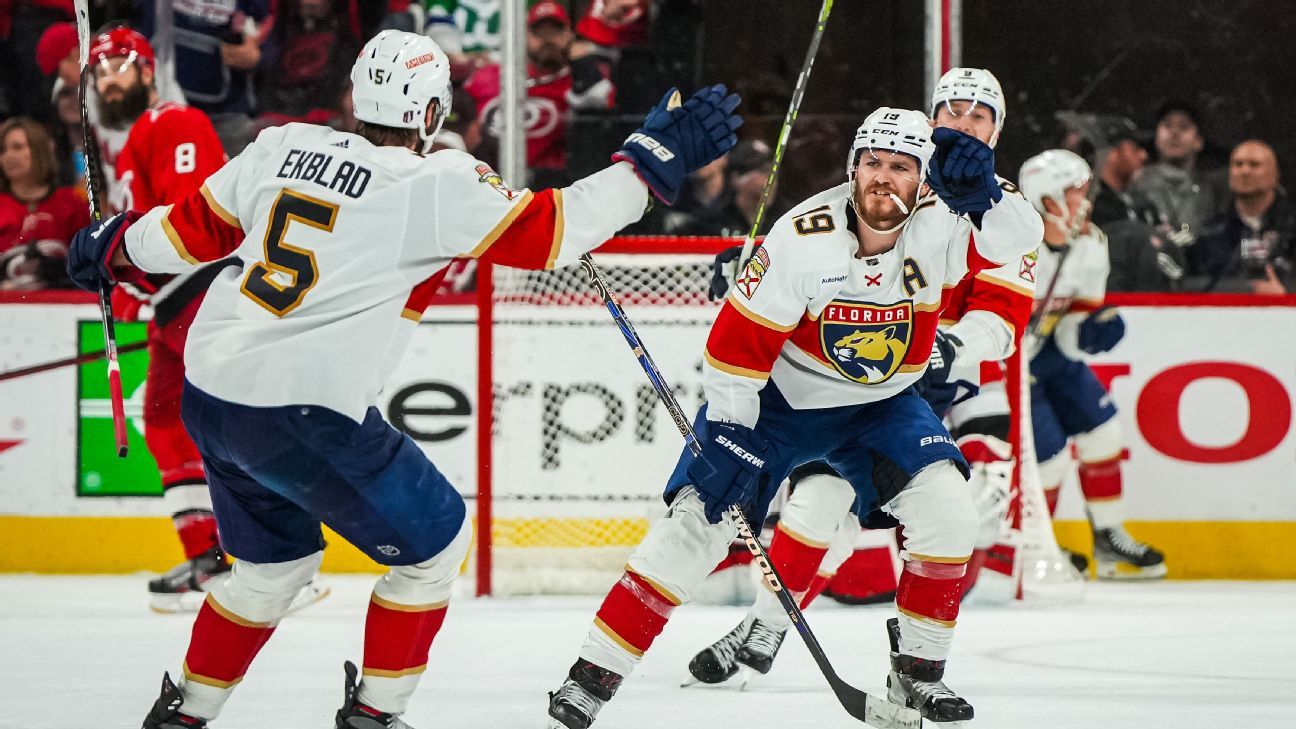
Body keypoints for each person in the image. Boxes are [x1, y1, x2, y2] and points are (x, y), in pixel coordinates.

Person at [66, 29, 741, 728]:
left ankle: (185, 712)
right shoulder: (432, 183)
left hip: (213, 397)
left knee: (273, 571)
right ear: (429, 114)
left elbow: (186, 233)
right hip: (304, 411)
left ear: (356, 97)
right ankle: (375, 715)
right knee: (437, 547)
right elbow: (554, 231)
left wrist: (110, 245)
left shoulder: (280, 146)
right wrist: (650, 163)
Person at [543, 106, 1041, 729]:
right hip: (777, 406)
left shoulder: (946, 223)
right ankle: (591, 676)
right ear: (853, 165)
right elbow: (732, 351)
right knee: (696, 527)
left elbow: (1021, 240)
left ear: (925, 179)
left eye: (902, 168)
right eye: (873, 164)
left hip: (882, 407)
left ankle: (917, 673)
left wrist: (990, 196)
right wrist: (727, 434)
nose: (883, 180)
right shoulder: (802, 239)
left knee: (949, 512)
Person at [686, 66, 1043, 680]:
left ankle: (899, 658)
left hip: (958, 379)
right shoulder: (897, 174)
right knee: (820, 499)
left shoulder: (1001, 206)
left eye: (978, 116)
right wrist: (757, 267)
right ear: (930, 120)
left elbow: (1004, 319)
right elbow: (823, 257)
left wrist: (951, 349)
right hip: (873, 369)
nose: (962, 125)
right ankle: (766, 625)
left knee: (961, 513)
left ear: (997, 130)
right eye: (950, 112)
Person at [89, 27, 322, 614]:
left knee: (237, 419)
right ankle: (209, 558)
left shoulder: (175, 123)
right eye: (98, 70)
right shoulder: (131, 141)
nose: (107, 77)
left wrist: (124, 263)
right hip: (168, 304)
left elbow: (190, 221)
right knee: (165, 420)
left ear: (148, 71)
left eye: (120, 64)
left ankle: (283, 558)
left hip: (202, 292)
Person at [1018, 149, 1167, 581]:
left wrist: (1092, 329)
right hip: (1002, 363)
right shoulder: (1010, 247)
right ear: (1046, 200)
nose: (1085, 203)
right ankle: (1032, 545)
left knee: (1104, 433)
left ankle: (1107, 536)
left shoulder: (1091, 243)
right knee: (1046, 456)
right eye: (1074, 193)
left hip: (1046, 355)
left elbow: (1073, 328)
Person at [463, 1, 615, 188]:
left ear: (569, 34)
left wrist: (584, 65)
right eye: (540, 33)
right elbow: (458, 118)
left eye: (555, 32)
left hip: (556, 188)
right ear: (525, 35)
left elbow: (600, 108)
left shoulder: (580, 81)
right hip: (488, 185)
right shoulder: (489, 76)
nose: (548, 40)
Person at [134, 0, 271, 156]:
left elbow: (272, 23)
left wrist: (259, 52)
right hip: (161, 108)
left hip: (226, 113)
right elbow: (128, 22)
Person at [1088, 116, 1186, 292]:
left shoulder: (1143, 204)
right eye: (1134, 148)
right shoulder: (1089, 205)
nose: (1143, 155)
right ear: (1111, 153)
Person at [1188, 140, 1295, 294]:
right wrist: (1244, 290)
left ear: (1275, 175)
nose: (1245, 171)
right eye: (1238, 164)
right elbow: (1191, 285)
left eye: (1254, 165)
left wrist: (1286, 295)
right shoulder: (1208, 232)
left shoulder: (1291, 226)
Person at [0, 117, 87, 289]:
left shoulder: (72, 202)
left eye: (17, 147)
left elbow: (89, 261)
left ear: (39, 150)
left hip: (63, 306)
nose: (8, 156)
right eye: (2, 150)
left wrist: (65, 269)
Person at [1127, 102, 1226, 253]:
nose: (1174, 133)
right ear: (1156, 136)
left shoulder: (1212, 188)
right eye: (1167, 126)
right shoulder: (1136, 182)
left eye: (1184, 127)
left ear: (1198, 141)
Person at [256, 0, 361, 129]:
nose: (311, 3)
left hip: (330, 110)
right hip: (275, 111)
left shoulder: (352, 22)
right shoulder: (279, 21)